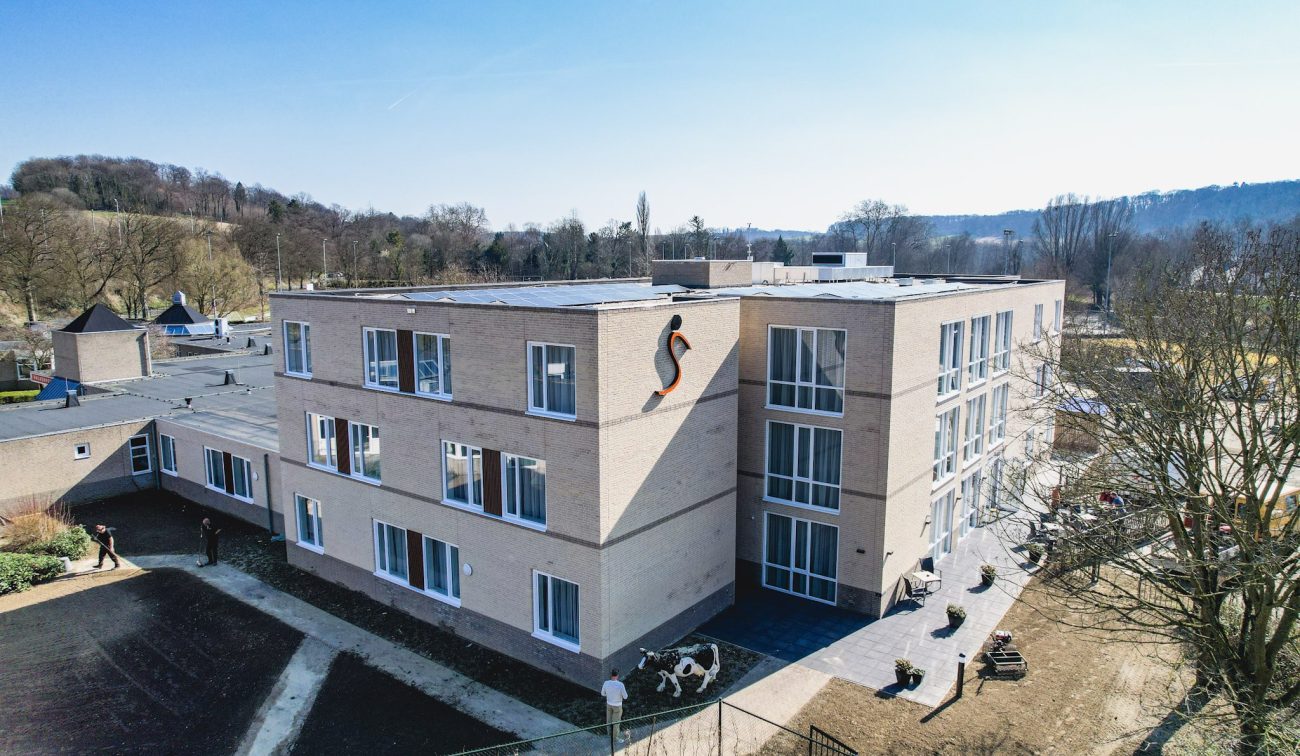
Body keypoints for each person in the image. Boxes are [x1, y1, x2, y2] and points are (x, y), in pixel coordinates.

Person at [601, 668, 629, 742]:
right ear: (617, 676)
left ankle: (609, 734)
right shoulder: (620, 685)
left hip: (609, 704)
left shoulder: (606, 683)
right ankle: (615, 738)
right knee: (616, 723)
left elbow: (602, 693)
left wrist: (609, 694)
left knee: (609, 720)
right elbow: (626, 697)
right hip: (617, 706)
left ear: (611, 675)